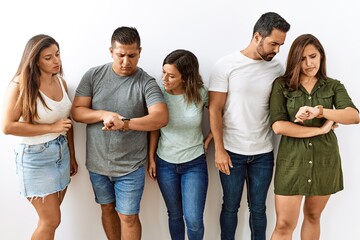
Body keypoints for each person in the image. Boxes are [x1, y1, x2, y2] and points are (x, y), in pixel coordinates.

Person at [71, 26, 168, 240]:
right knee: (107, 209)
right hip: (97, 164)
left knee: (129, 217)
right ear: (110, 51)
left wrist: (124, 123)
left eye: (132, 55)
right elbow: (77, 111)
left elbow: (160, 117)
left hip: (130, 166)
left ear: (140, 52)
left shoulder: (146, 82)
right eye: (120, 55)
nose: (126, 62)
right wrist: (104, 114)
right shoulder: (94, 75)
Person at [208, 12, 291, 240]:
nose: (277, 50)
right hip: (232, 151)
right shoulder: (226, 65)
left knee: (259, 209)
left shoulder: (277, 68)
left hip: (263, 152)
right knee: (230, 207)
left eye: (280, 45)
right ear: (257, 36)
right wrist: (220, 149)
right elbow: (214, 109)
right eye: (273, 43)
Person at [269, 33, 359, 240]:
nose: (309, 63)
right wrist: (320, 130)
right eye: (302, 58)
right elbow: (279, 126)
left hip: (324, 161)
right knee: (283, 224)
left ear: (321, 57)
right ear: (294, 60)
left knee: (313, 216)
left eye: (313, 56)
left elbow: (353, 116)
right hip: (291, 163)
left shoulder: (333, 86)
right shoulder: (282, 85)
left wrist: (319, 111)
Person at [1, 34, 78, 240]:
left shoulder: (61, 81)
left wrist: (71, 154)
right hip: (35, 157)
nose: (56, 61)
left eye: (57, 54)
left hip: (60, 152)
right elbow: (8, 127)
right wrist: (51, 127)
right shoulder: (21, 85)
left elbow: (67, 121)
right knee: (51, 220)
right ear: (35, 60)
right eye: (48, 57)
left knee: (52, 220)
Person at [148, 49, 212, 240]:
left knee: (193, 220)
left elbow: (220, 116)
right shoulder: (158, 94)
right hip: (165, 163)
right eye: (163, 73)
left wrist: (209, 139)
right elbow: (154, 127)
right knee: (174, 215)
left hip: (194, 163)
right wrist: (151, 158)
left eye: (171, 76)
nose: (164, 79)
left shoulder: (200, 93)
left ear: (186, 77)